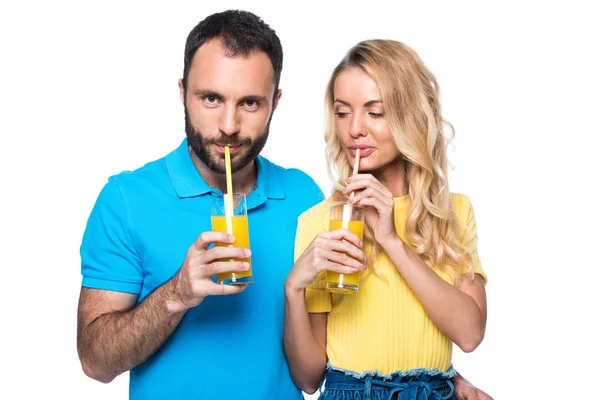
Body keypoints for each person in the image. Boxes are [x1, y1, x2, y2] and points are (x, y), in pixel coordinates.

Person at [76, 9, 490, 400]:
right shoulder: (126, 200)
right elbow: (95, 361)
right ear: (183, 92)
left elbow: (348, 336)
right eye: (211, 99)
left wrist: (433, 375)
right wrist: (177, 293)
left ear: (275, 101)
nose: (229, 125)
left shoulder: (305, 199)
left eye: (250, 103)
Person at [284, 39, 490, 400]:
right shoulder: (321, 222)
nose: (354, 129)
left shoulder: (454, 212)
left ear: (409, 114)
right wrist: (294, 290)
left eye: (374, 112)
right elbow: (309, 379)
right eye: (343, 111)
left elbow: (470, 334)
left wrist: (392, 241)